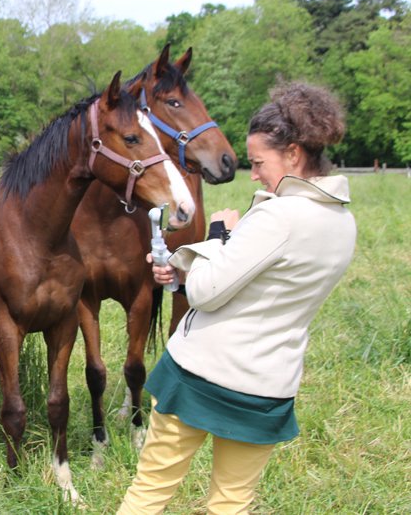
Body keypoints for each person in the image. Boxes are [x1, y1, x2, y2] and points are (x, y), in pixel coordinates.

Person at [117, 81, 357, 514]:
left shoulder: (279, 216)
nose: (254, 174)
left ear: (293, 154)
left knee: (150, 490)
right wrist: (184, 269)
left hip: (202, 375)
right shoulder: (342, 222)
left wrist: (218, 235)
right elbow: (263, 284)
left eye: (259, 162)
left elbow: (206, 294)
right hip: (268, 384)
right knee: (231, 503)